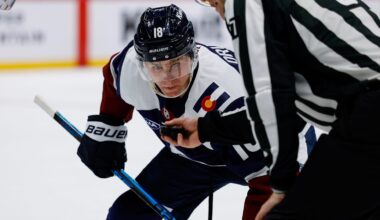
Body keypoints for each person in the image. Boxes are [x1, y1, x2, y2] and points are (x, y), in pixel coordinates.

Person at [164, 0, 380, 219]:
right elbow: (290, 109)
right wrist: (206, 129)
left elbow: (271, 99)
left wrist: (281, 185)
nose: (212, 6)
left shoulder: (246, 5)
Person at [76, 4, 277, 220]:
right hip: (192, 156)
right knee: (128, 216)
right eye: (156, 67)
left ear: (193, 55)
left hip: (271, 158)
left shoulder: (228, 95)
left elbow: (271, 181)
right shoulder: (130, 68)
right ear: (142, 64)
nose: (167, 78)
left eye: (175, 64)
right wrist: (108, 123)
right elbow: (113, 75)